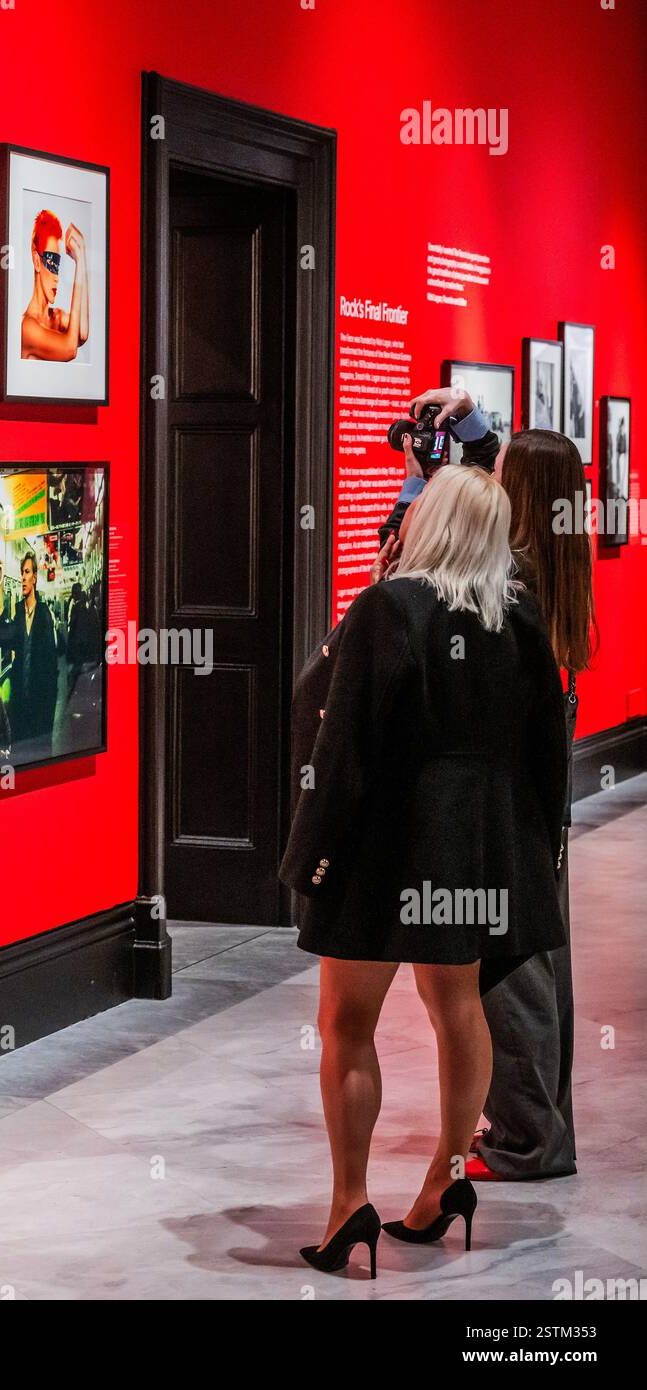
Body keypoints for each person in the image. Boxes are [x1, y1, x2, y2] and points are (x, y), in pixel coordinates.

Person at [281, 465, 567, 1277]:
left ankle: (347, 1207)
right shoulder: (520, 617)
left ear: (424, 522)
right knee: (459, 1012)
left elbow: (342, 749)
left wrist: (309, 856)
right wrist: (534, 857)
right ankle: (445, 1182)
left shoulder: (388, 607)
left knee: (346, 1023)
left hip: (384, 849)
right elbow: (548, 751)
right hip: (471, 851)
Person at [379, 388, 595, 1182]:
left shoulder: (515, 579)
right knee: (536, 954)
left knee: (511, 968)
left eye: (502, 471)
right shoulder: (550, 560)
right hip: (536, 778)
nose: (491, 477)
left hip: (499, 784)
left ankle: (528, 1141)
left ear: (521, 493)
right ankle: (534, 1126)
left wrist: (415, 482)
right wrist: (466, 417)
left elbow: (406, 559)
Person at [0, 551, 59, 759]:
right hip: (20, 707)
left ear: (35, 578)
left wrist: (49, 716)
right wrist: (0, 586)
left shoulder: (45, 615)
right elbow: (3, 638)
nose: (23, 578)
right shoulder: (18, 612)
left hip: (40, 707)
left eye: (27, 572)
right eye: (21, 573)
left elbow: (51, 669)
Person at [21, 209, 89, 362]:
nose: (57, 278)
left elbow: (82, 333)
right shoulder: (27, 328)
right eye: (52, 263)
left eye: (58, 267)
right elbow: (70, 349)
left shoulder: (57, 317)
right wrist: (79, 265)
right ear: (37, 261)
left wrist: (82, 255)